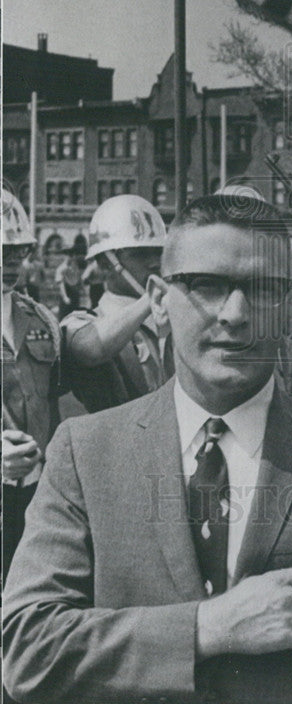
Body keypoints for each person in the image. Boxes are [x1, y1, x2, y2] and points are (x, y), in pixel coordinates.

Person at [3, 193, 292, 704]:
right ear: (159, 297)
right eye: (206, 285)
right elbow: (26, 649)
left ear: (289, 308)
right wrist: (206, 627)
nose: (235, 314)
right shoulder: (85, 454)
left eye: (263, 289)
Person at [1, 189, 65, 581]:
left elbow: (53, 405)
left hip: (35, 494)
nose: (10, 262)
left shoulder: (40, 320)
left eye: (17, 251)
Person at [61, 194, 171, 412]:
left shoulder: (172, 311)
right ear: (104, 265)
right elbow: (89, 349)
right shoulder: (84, 320)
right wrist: (150, 298)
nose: (155, 262)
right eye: (140, 254)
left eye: (159, 251)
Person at [53, 247, 83, 319]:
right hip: (67, 292)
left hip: (75, 293)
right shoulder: (61, 268)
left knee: (75, 317)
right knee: (64, 316)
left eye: (73, 255)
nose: (71, 257)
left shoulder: (75, 267)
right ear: (65, 256)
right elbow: (61, 284)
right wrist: (65, 297)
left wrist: (79, 289)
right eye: (69, 255)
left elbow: (78, 279)